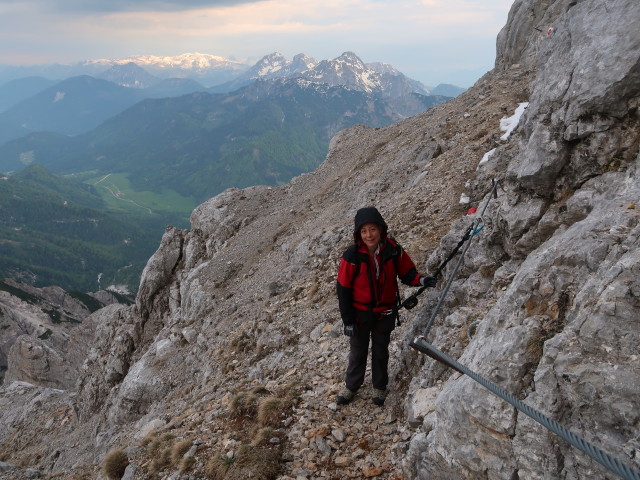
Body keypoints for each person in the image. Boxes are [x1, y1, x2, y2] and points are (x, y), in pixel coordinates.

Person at [335, 207, 437, 406]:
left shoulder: (392, 249)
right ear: (358, 234)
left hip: (385, 312)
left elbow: (407, 273)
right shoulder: (352, 255)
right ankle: (351, 386)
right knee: (358, 351)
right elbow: (343, 289)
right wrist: (347, 320)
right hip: (360, 314)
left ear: (381, 229)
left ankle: (379, 387)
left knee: (381, 350)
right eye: (364, 231)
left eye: (372, 229)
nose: (369, 235)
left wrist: (421, 280)